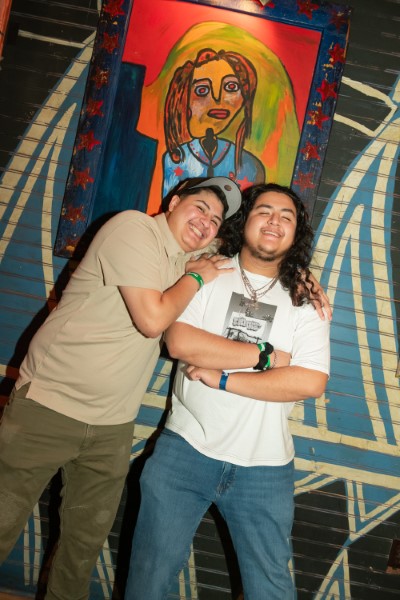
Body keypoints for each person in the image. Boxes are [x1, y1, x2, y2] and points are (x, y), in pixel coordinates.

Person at [0, 176, 243, 600]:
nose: (206, 222)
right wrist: (196, 278)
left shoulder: (190, 257)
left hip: (111, 427)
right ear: (173, 202)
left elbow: (250, 262)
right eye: (200, 208)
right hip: (48, 408)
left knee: (82, 550)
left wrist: (302, 279)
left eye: (215, 220)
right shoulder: (134, 228)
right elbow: (152, 320)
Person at [125, 182, 331, 600]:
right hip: (185, 451)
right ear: (245, 221)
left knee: (270, 589)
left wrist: (222, 378)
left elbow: (310, 381)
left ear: (296, 234)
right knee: (149, 579)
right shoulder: (207, 272)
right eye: (264, 211)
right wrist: (267, 357)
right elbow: (180, 342)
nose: (274, 221)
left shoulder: (305, 298)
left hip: (265, 466)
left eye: (287, 217)